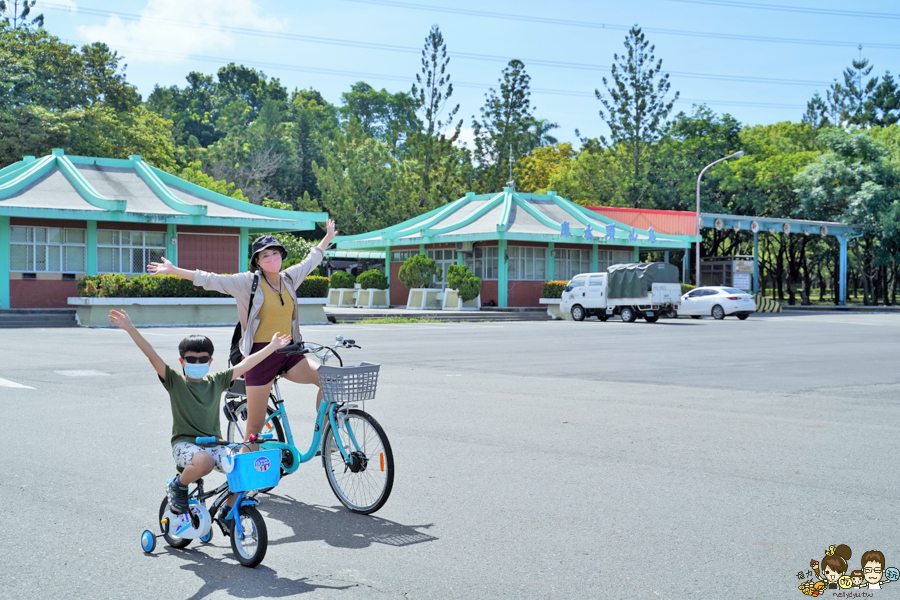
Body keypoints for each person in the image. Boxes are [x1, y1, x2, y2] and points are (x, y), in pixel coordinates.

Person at [147, 221, 336, 446]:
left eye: (275, 253)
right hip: (259, 357)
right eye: (265, 256)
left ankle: (327, 438)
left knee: (330, 381)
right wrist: (174, 270)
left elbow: (311, 260)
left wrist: (327, 237)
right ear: (257, 261)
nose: (272, 259)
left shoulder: (289, 278)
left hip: (289, 353)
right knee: (254, 429)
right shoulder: (247, 283)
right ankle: (245, 478)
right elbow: (211, 279)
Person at [109, 308, 291, 515]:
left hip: (214, 445)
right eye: (191, 359)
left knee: (246, 465)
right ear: (182, 361)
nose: (197, 363)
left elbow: (248, 363)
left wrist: (273, 346)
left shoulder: (216, 381)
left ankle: (229, 511)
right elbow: (152, 356)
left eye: (203, 359)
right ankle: (178, 485)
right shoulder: (175, 382)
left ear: (210, 362)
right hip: (185, 446)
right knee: (205, 461)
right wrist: (130, 328)